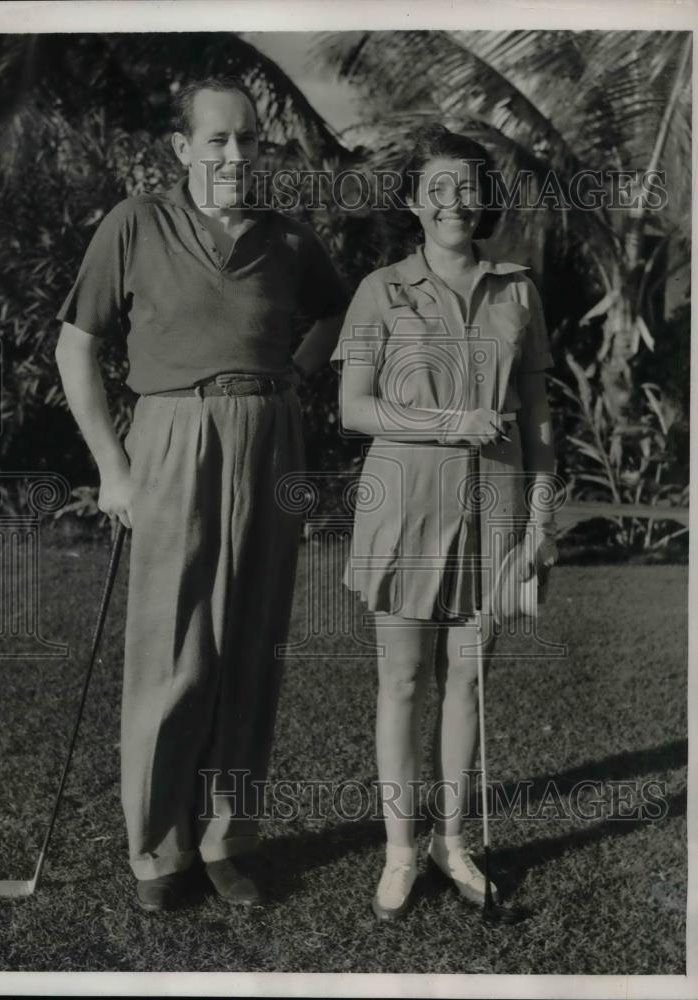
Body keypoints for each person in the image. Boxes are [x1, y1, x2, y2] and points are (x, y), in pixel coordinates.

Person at [55, 77, 347, 911]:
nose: (232, 155)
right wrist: (113, 469)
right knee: (171, 650)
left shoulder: (289, 238)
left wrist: (296, 374)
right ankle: (157, 849)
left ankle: (226, 838)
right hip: (173, 436)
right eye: (215, 140)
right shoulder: (136, 222)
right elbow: (76, 347)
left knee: (251, 646)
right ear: (182, 148)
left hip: (268, 435)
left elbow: (333, 312)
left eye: (247, 139)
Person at [332, 123, 558, 920]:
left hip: (495, 511)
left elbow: (534, 415)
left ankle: (450, 843)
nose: (454, 200)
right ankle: (399, 851)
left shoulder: (518, 289)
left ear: (482, 198)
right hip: (403, 507)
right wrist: (447, 423)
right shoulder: (378, 289)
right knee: (400, 681)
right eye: (437, 188)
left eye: (467, 185)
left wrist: (539, 520)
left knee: (466, 680)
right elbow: (351, 406)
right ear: (412, 203)